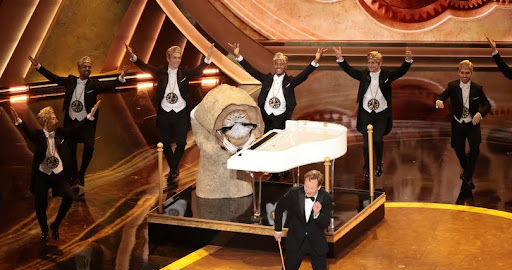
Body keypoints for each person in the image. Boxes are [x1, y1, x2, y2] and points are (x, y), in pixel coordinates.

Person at [227, 43, 326, 180]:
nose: (279, 66)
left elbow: (304, 75)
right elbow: (252, 70)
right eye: (276, 63)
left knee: (280, 144)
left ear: (285, 66)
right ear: (274, 65)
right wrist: (238, 56)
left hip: (281, 117)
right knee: (267, 142)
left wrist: (315, 61)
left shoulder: (290, 81)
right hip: (266, 116)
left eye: (281, 63)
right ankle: (271, 168)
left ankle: (282, 168)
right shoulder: (267, 79)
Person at [28, 55, 127, 187]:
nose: (87, 69)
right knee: (70, 150)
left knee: (90, 146)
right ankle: (74, 175)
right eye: (85, 67)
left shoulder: (94, 84)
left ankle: (81, 174)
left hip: (86, 123)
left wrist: (120, 78)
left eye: (89, 67)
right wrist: (38, 66)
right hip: (71, 122)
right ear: (79, 69)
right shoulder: (70, 81)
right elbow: (54, 78)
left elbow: (109, 86)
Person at [125, 42, 214, 188]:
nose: (178, 60)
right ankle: (174, 169)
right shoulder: (160, 72)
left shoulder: (184, 73)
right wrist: (133, 57)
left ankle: (173, 169)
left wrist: (207, 58)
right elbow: (145, 67)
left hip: (180, 112)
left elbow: (198, 71)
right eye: (175, 58)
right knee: (165, 144)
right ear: (168, 58)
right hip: (165, 113)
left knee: (181, 143)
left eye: (179, 58)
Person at [7, 103, 100, 242]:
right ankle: (44, 230)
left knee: (69, 197)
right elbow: (27, 132)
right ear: (46, 120)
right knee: (40, 205)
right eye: (53, 118)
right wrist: (17, 120)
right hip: (43, 175)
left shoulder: (60, 132)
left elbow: (75, 129)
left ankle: (55, 225)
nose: (56, 120)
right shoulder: (38, 136)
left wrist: (89, 116)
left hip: (58, 174)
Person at [334, 47, 413, 179]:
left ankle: (379, 163)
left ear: (380, 64)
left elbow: (400, 72)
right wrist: (340, 58)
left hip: (381, 113)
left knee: (377, 139)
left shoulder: (387, 76)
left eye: (374, 63)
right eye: (369, 62)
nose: (371, 65)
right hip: (366, 112)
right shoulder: (363, 75)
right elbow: (349, 71)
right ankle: (367, 166)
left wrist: (408, 61)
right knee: (366, 144)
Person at [267, 170, 333, 270]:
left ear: (319, 187)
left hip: (316, 243)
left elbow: (324, 224)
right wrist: (277, 230)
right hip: (296, 240)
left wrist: (317, 214)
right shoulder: (294, 193)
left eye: (311, 188)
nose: (307, 190)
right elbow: (280, 208)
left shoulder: (327, 198)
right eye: (306, 186)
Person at [435, 60, 491, 193]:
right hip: (458, 123)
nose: (465, 76)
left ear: (471, 73)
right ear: (458, 72)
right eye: (462, 73)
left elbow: (487, 105)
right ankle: (467, 172)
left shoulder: (477, 88)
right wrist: (438, 101)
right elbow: (441, 96)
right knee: (459, 150)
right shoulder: (452, 86)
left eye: (467, 73)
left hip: (472, 124)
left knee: (474, 150)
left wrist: (480, 114)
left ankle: (467, 177)